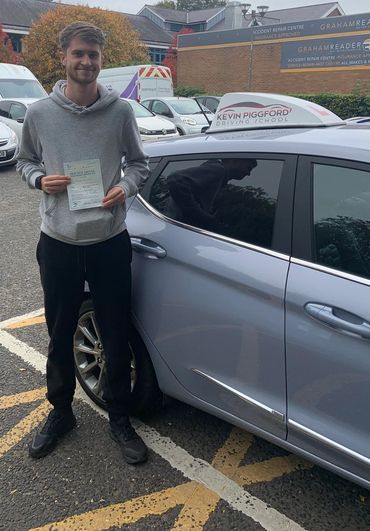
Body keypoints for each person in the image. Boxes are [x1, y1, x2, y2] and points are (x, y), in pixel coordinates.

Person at [17, 22, 149, 464]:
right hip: (58, 242)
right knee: (58, 333)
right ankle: (61, 412)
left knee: (114, 333)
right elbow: (25, 161)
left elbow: (139, 165)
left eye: (93, 54)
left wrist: (126, 188)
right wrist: (40, 180)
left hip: (109, 241)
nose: (86, 62)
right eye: (78, 53)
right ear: (63, 58)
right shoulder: (39, 114)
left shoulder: (121, 113)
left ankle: (118, 416)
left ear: (100, 59)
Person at [166, 158, 257, 232]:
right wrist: (200, 216)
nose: (248, 173)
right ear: (235, 161)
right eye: (248, 168)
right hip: (178, 229)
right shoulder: (218, 170)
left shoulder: (220, 178)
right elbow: (175, 180)